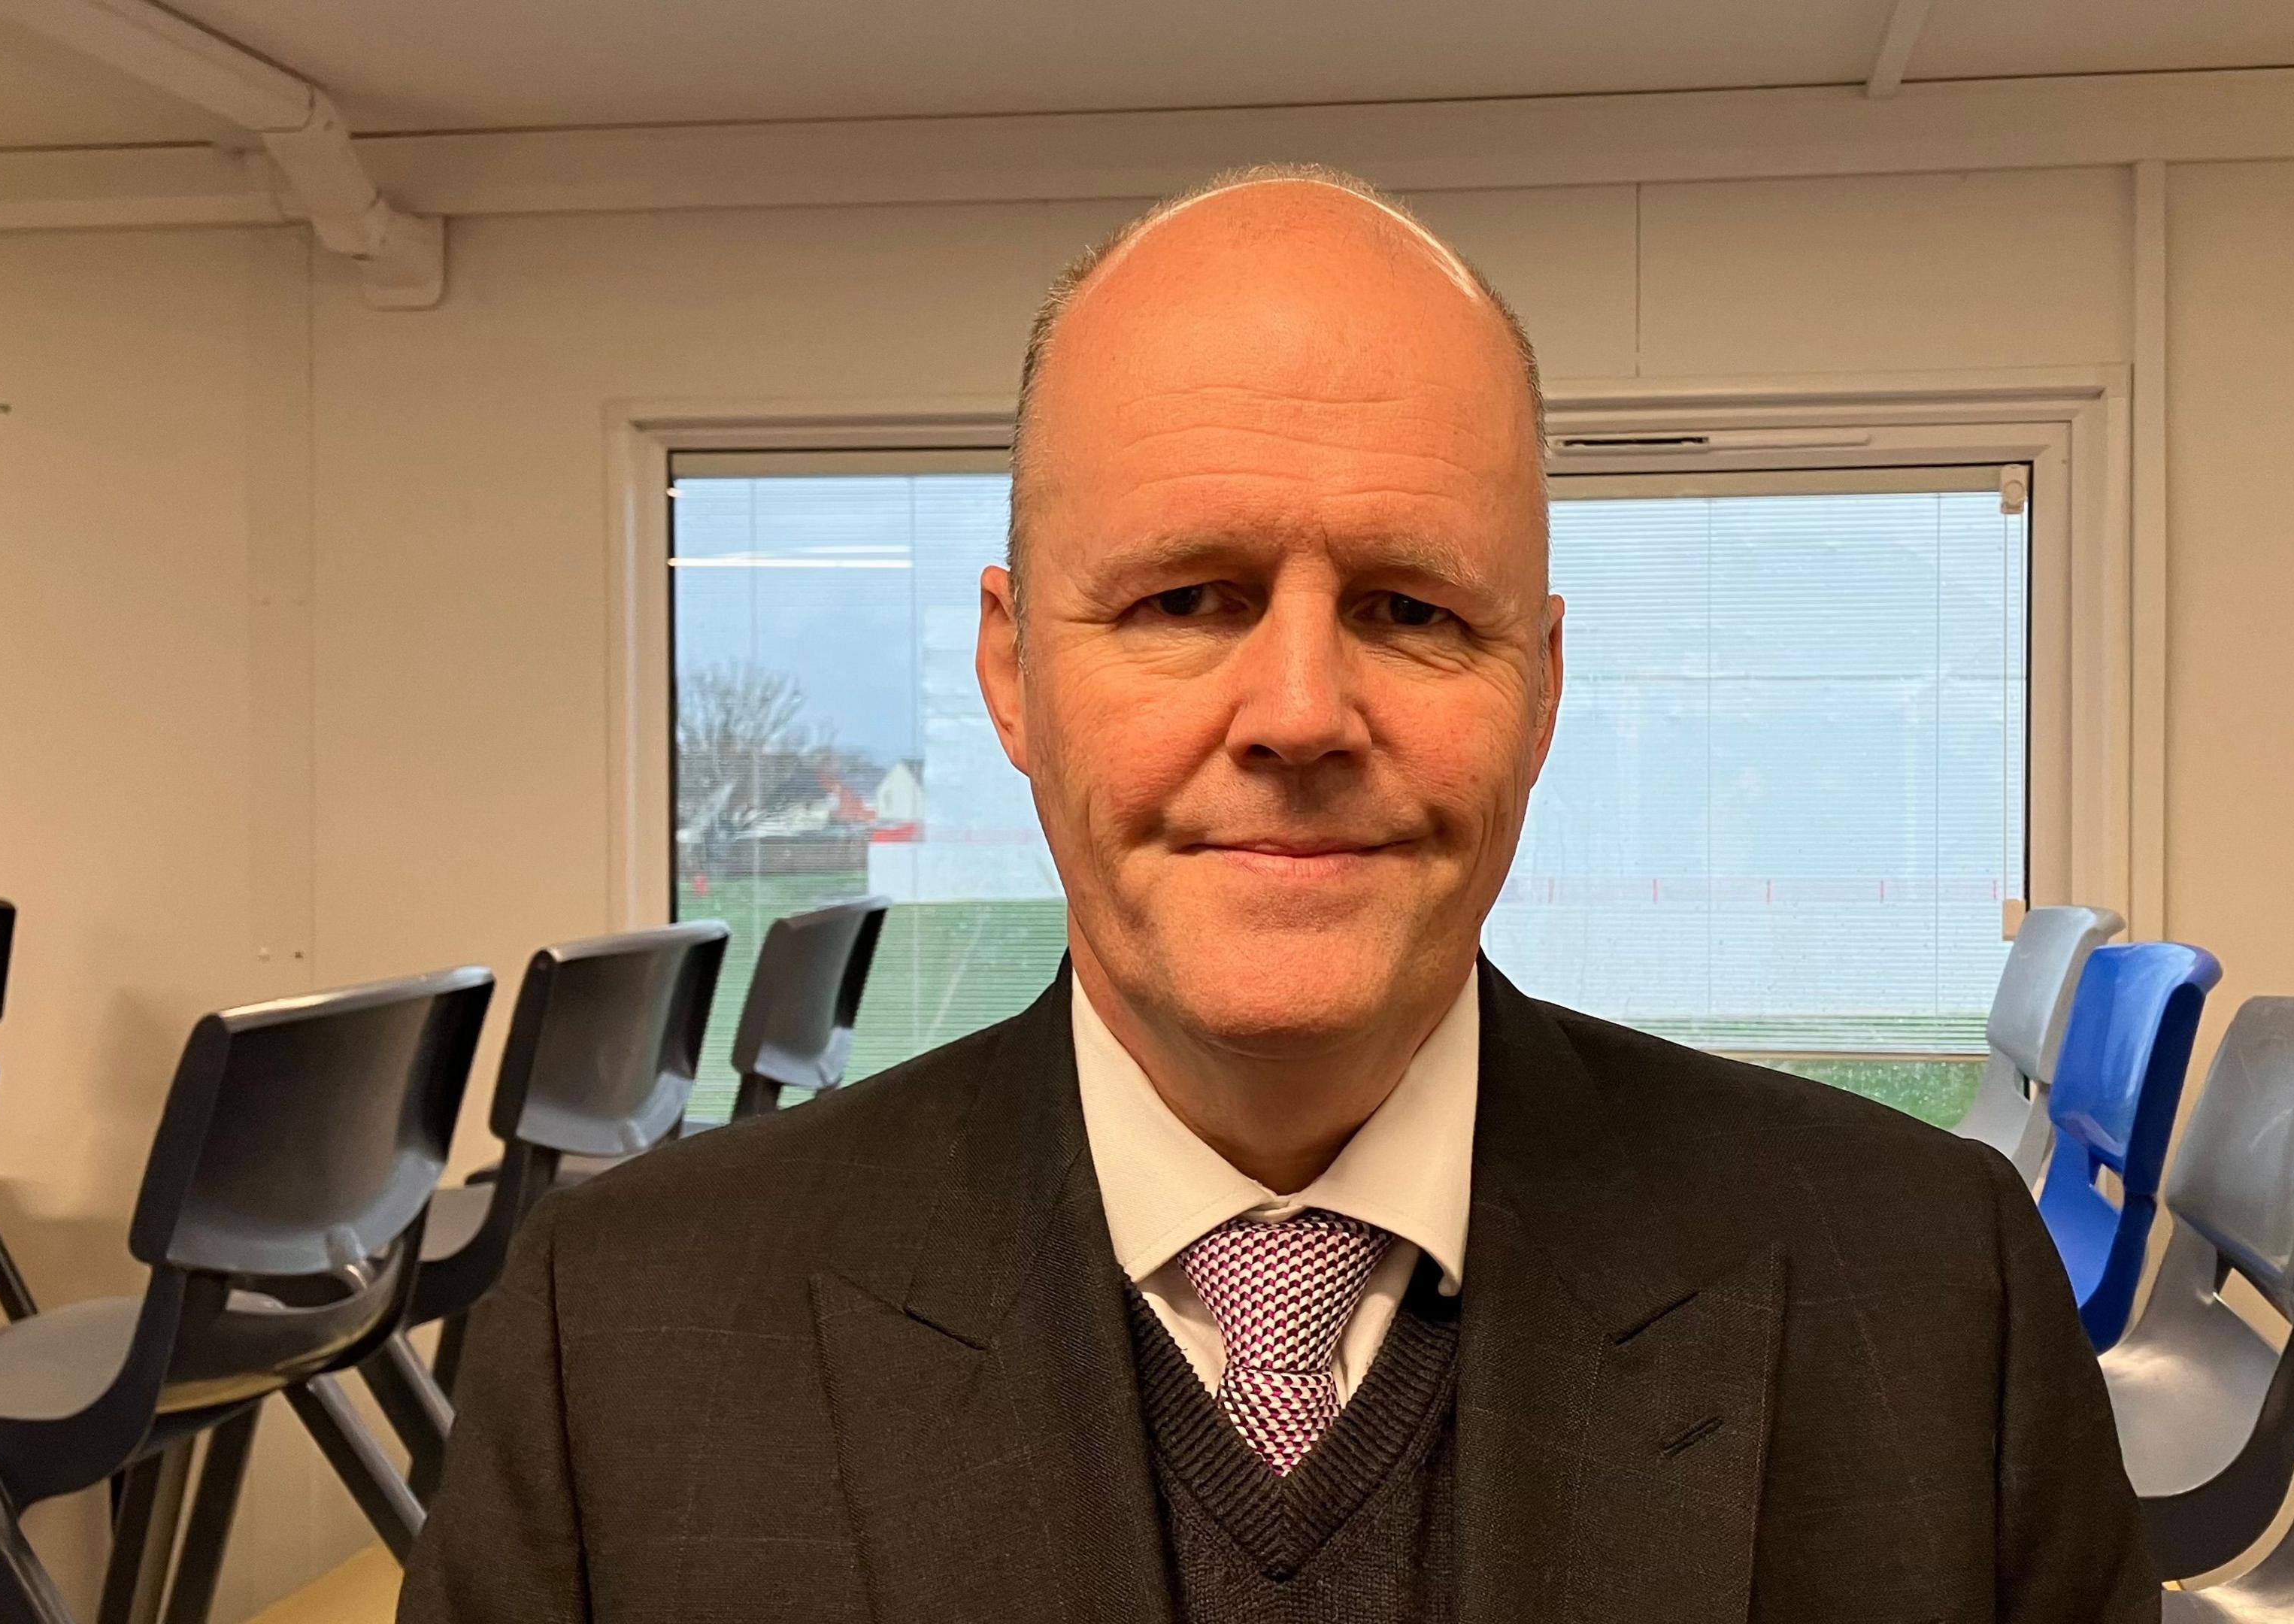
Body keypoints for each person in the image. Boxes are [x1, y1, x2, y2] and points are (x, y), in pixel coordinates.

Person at [400, 164, 2155, 1624]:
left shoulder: (1935, 1304)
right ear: (1013, 674)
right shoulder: (622, 1336)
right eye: (1184, 600)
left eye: (1410, 608)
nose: (1302, 714)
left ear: (1538, 687)